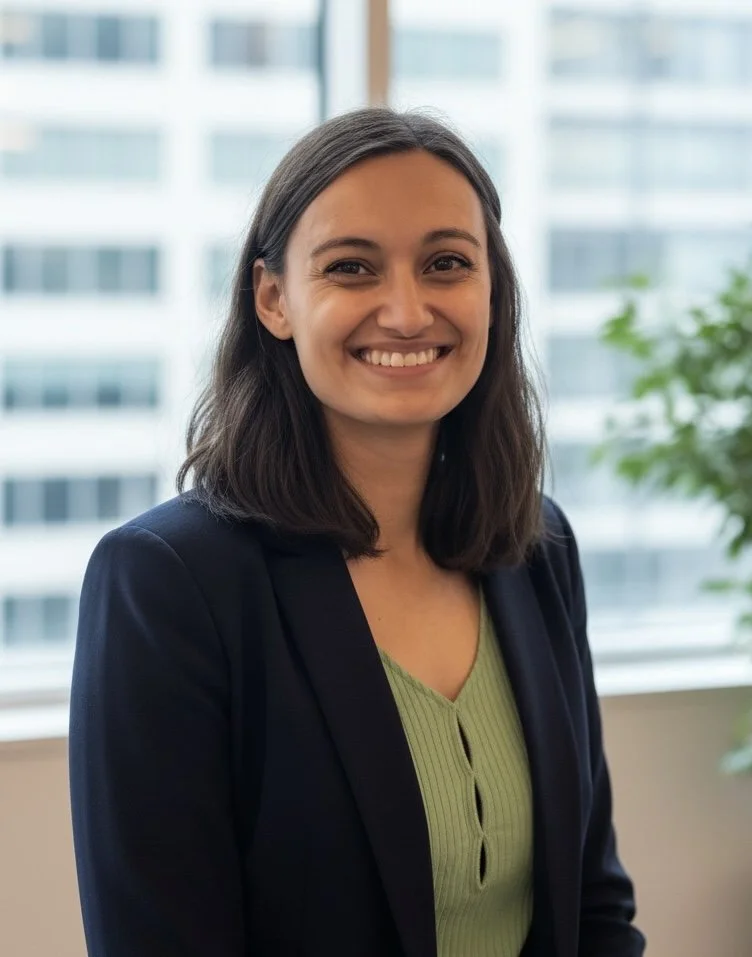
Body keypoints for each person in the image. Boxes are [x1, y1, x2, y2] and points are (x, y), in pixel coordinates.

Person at [68, 107, 645, 957]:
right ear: (275, 299)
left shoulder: (538, 549)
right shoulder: (166, 583)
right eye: (352, 267)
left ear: (493, 290)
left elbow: (594, 908)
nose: (407, 312)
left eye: (447, 262)